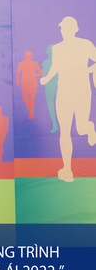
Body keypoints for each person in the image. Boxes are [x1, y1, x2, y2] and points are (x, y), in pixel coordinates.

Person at [39, 16, 96, 182]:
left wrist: (88, 71)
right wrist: (46, 78)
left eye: (68, 28)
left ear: (76, 29)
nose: (65, 31)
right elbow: (55, 66)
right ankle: (67, 169)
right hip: (63, 93)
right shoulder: (57, 48)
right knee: (65, 132)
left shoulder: (85, 44)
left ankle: (89, 129)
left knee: (81, 128)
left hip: (82, 92)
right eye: (63, 28)